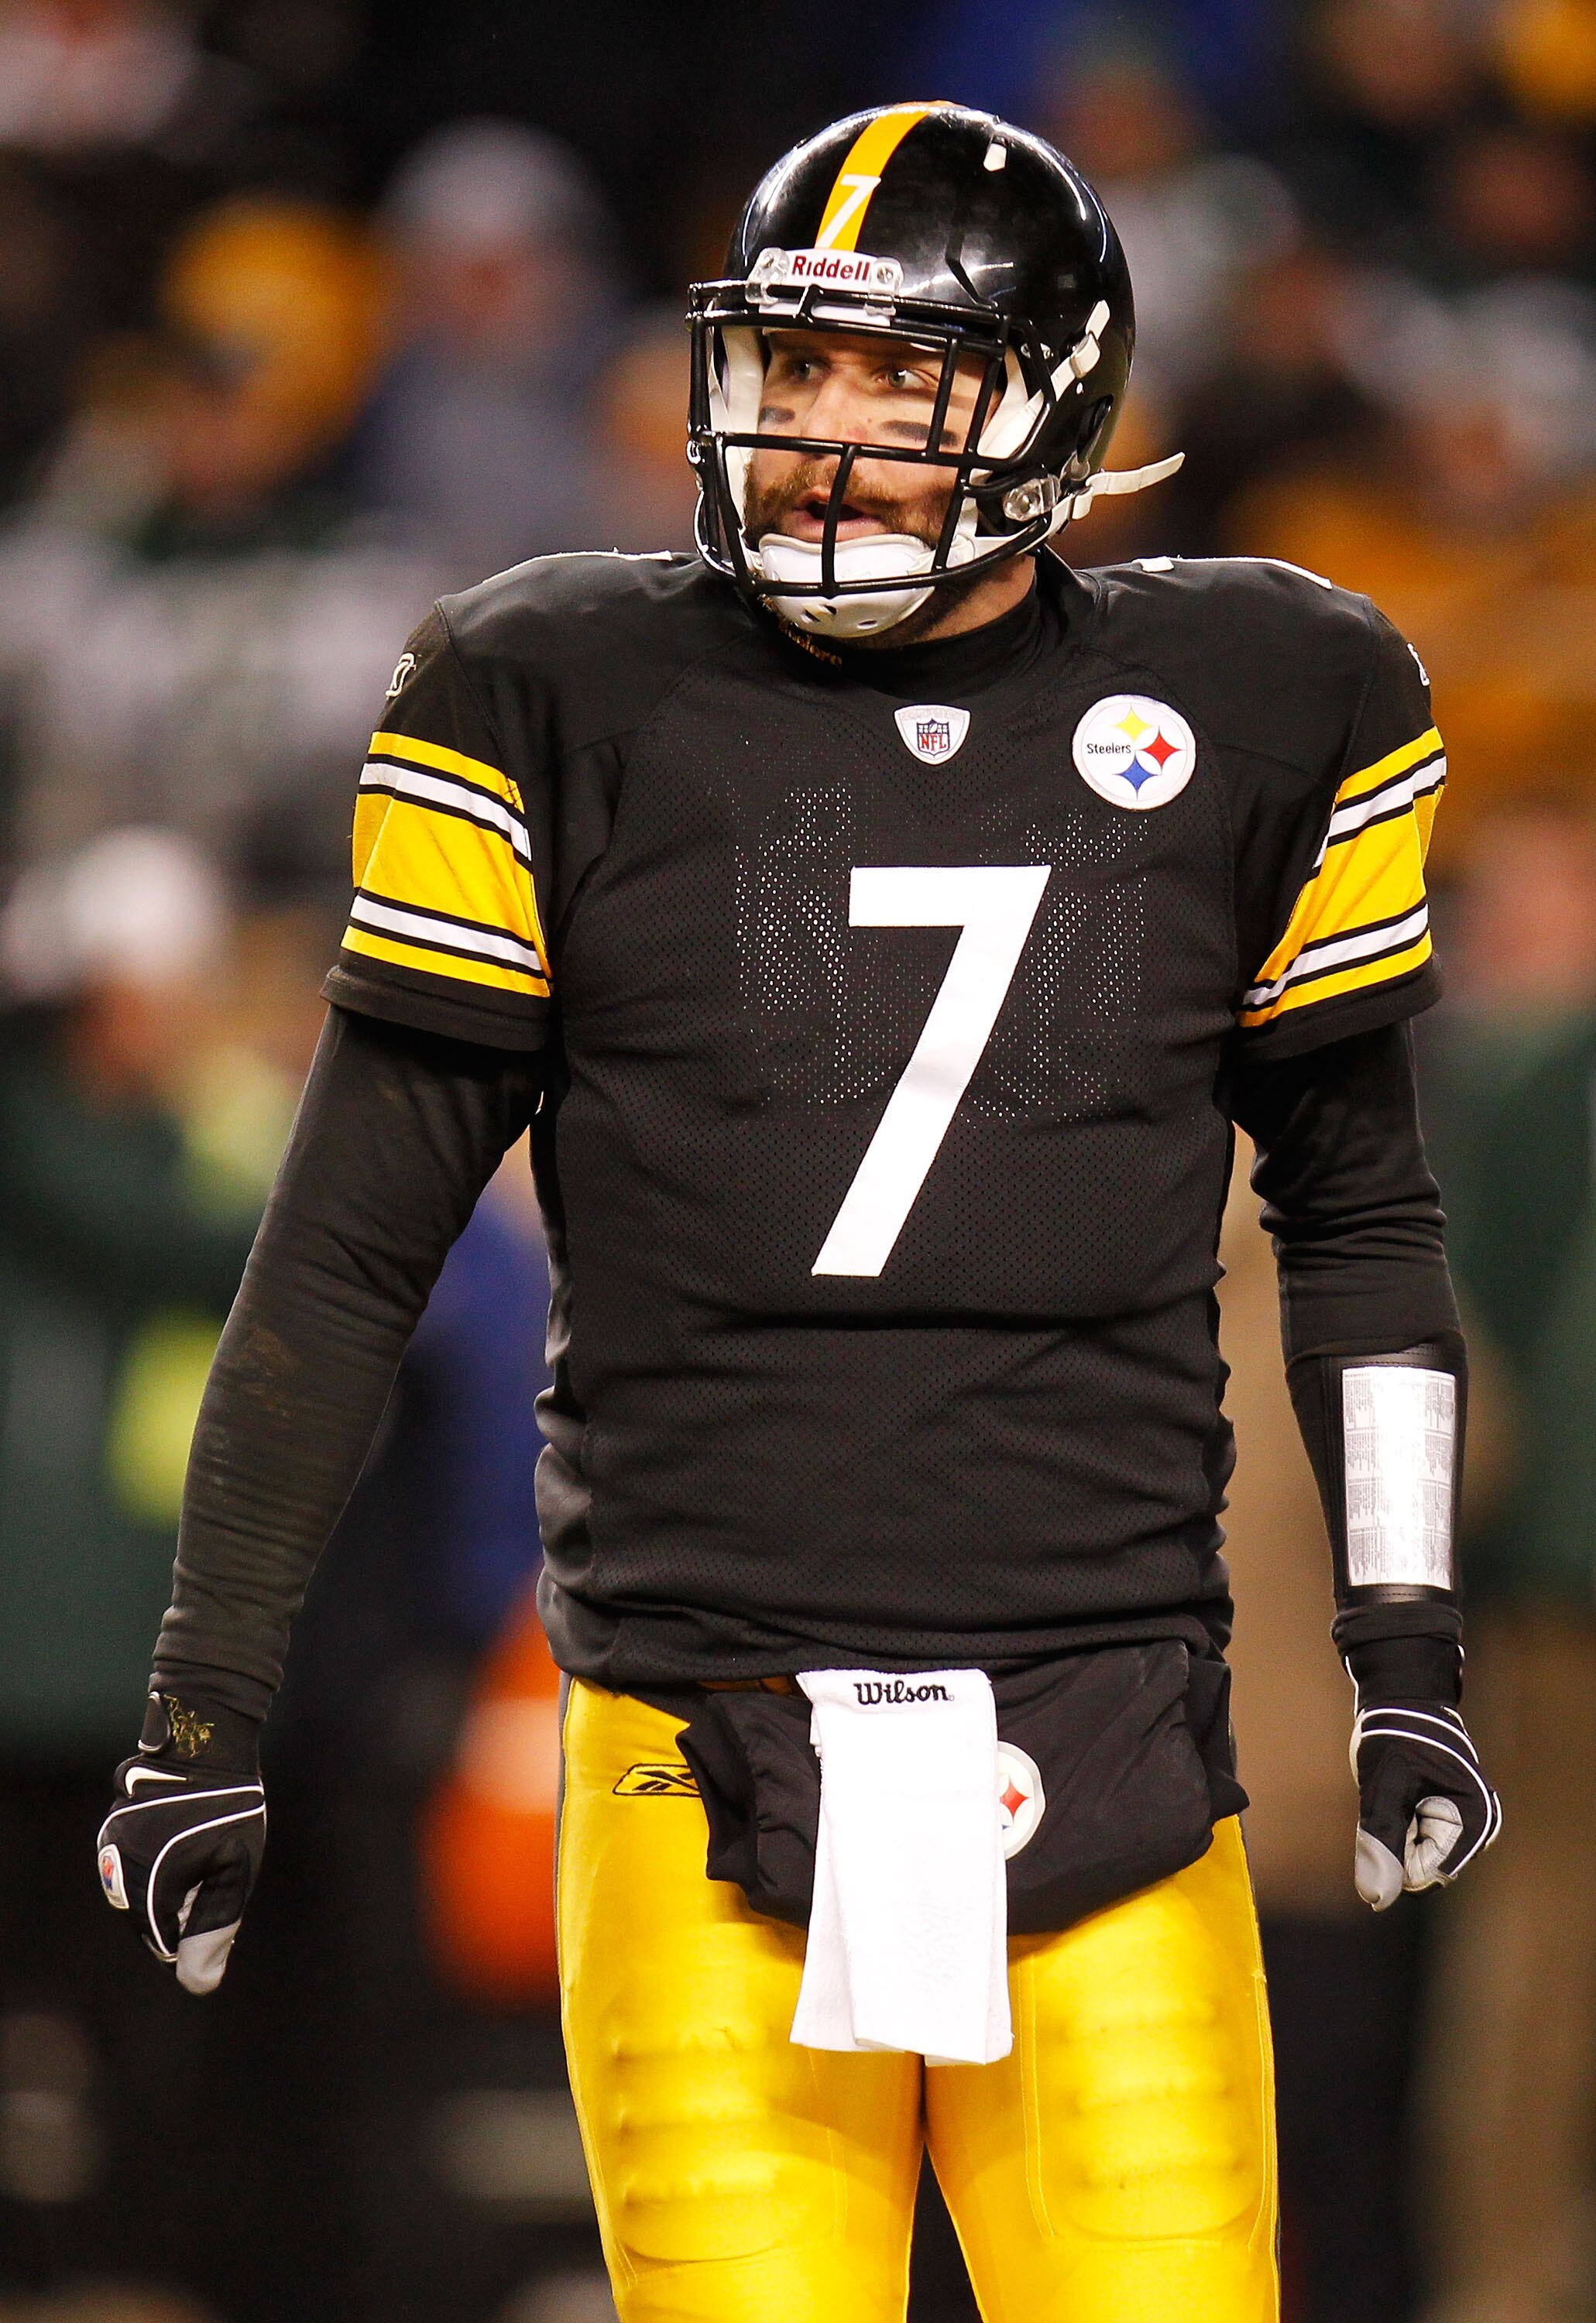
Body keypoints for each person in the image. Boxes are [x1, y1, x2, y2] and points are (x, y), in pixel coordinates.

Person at [94, 104, 1500, 2322]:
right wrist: (205, 1702)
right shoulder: (554, 684)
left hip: (1112, 1721)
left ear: (1052, 403)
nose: (817, 433)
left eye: (892, 377)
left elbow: (1362, 1221)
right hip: (694, 1730)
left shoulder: (1267, 697)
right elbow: (348, 1246)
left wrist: (1407, 1657)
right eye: (788, 367)